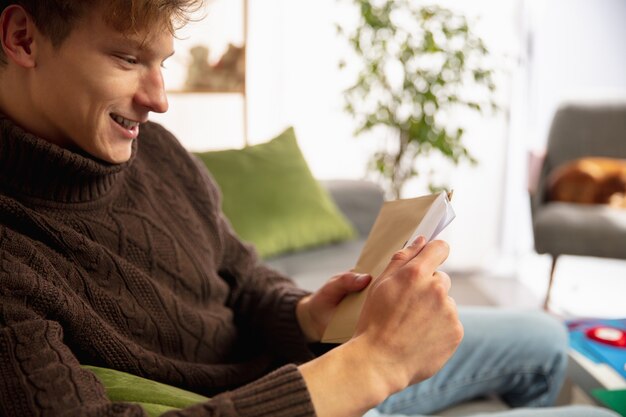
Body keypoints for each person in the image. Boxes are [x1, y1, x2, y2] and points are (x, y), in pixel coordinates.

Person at [0, 1, 619, 416]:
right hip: (304, 399)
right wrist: (373, 363)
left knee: (541, 337)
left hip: (313, 364)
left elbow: (241, 274)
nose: (159, 99)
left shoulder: (155, 153)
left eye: (161, 62)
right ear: (23, 39)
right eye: (128, 59)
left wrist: (305, 313)